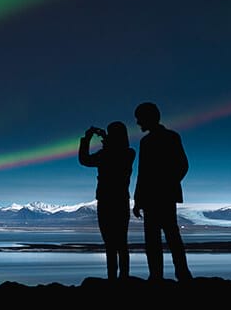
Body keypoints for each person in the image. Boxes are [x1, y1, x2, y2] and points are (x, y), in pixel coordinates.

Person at [132, 102, 193, 282]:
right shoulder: (156, 139)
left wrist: (164, 185)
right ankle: (174, 275)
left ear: (148, 118)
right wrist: (138, 200)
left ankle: (165, 276)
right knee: (165, 238)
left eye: (139, 119)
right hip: (159, 197)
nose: (138, 123)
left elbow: (182, 165)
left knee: (163, 238)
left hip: (158, 197)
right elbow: (143, 173)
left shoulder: (164, 138)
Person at [79, 121, 135, 280]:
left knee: (112, 243)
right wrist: (104, 138)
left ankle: (115, 278)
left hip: (107, 202)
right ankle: (122, 277)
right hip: (120, 201)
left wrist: (88, 139)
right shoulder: (129, 153)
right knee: (120, 243)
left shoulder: (111, 154)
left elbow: (85, 160)